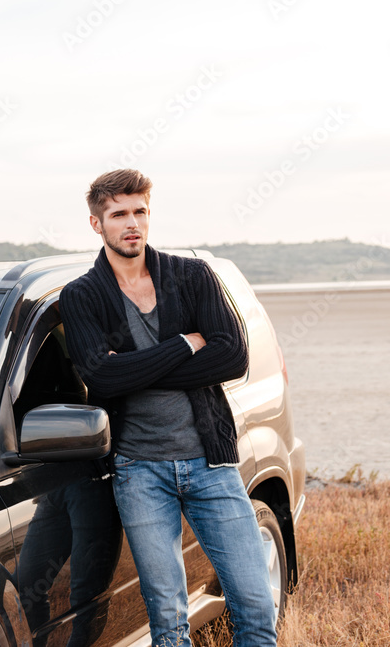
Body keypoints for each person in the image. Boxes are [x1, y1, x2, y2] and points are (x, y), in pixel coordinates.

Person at [58, 170, 276, 647]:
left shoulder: (192, 276)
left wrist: (133, 369)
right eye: (118, 214)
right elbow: (102, 377)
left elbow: (233, 356)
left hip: (211, 464)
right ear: (97, 224)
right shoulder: (82, 296)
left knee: (257, 607)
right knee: (169, 623)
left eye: (140, 211)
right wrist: (185, 344)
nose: (131, 223)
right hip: (140, 472)